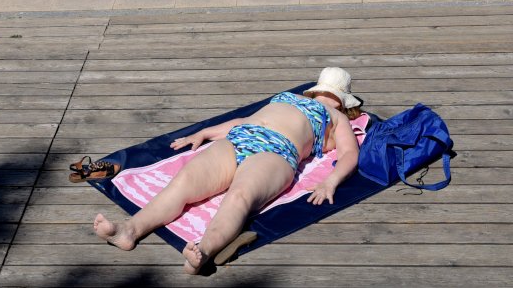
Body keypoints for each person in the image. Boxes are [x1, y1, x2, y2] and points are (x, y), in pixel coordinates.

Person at [93, 67, 362, 276]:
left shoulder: (335, 118)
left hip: (277, 151)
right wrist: (202, 133)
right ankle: (129, 230)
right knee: (186, 180)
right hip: (241, 137)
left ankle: (203, 251)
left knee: (240, 196)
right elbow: (244, 120)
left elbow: (350, 153)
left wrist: (331, 181)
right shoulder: (288, 97)